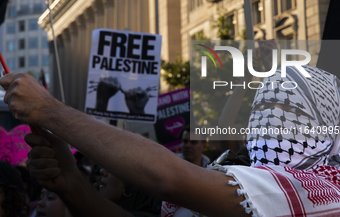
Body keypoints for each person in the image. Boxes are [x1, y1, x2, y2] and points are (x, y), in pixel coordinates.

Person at [3, 65, 340, 216]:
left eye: (287, 108)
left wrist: (49, 111)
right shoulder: (234, 175)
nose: (271, 117)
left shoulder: (326, 189)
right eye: (263, 105)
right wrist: (71, 183)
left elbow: (169, 179)